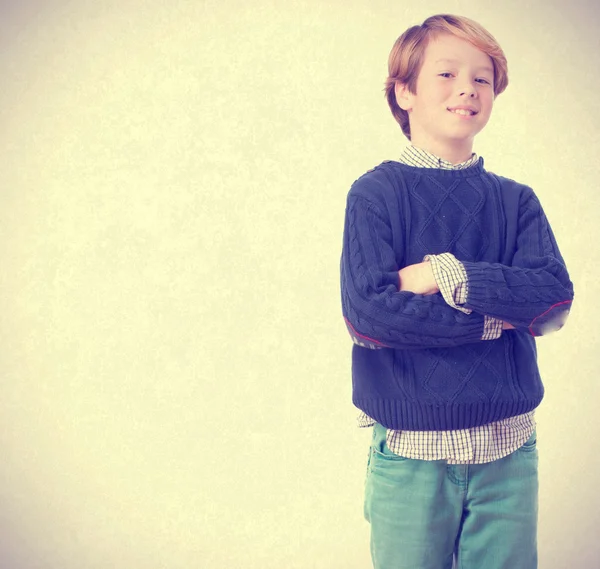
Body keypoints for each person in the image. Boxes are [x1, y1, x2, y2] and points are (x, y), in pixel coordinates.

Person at [339, 13, 574, 569]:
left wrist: (451, 276)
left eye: (483, 78)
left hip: (509, 452)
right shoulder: (375, 195)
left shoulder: (516, 201)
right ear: (404, 92)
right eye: (446, 74)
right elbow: (371, 318)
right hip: (412, 456)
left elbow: (553, 301)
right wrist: (498, 318)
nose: (468, 87)